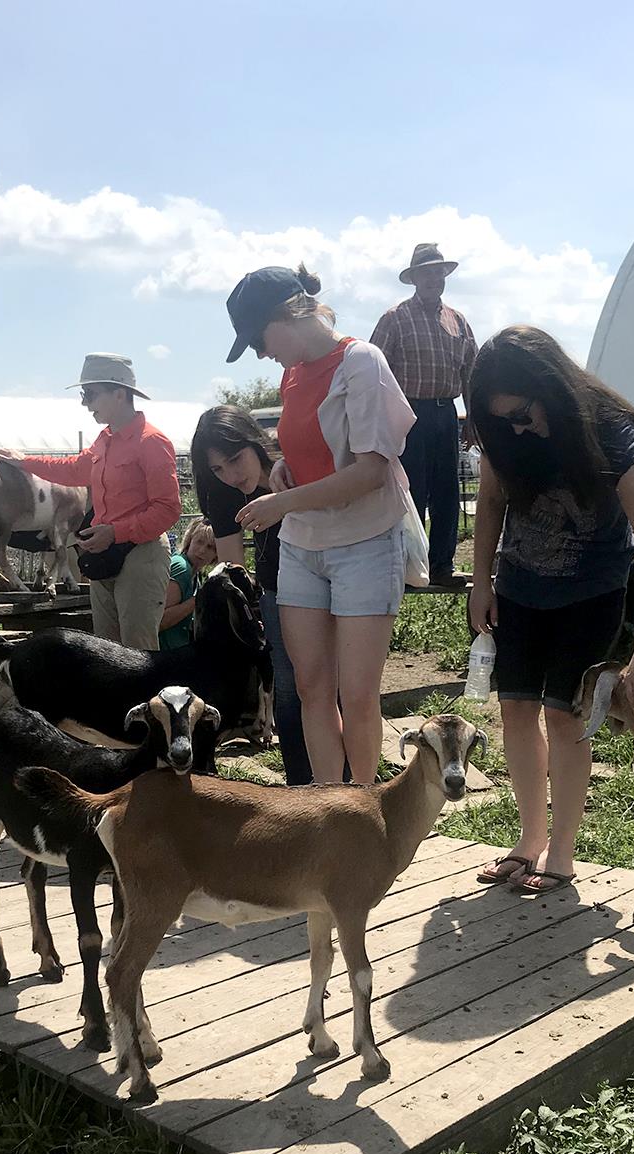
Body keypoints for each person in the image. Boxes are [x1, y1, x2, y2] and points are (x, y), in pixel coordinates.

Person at [469, 326, 634, 894]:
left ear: (550, 386)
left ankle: (560, 856)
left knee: (564, 718)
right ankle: (528, 840)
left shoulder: (606, 431)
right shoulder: (503, 433)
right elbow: (489, 502)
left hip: (590, 594)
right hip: (518, 588)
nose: (515, 427)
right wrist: (481, 579)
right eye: (501, 420)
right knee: (514, 710)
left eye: (521, 412)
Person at [224, 264, 413, 784]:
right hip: (304, 542)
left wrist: (282, 503)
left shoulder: (361, 362)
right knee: (310, 687)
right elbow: (316, 445)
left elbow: (372, 471)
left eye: (258, 339)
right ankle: (329, 806)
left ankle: (362, 807)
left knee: (355, 694)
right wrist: (287, 468)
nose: (261, 353)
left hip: (365, 541)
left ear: (288, 315)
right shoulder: (291, 372)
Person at [2, 353, 180, 649]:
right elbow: (73, 469)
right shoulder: (104, 440)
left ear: (119, 394)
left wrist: (114, 532)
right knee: (107, 653)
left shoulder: (152, 442)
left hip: (141, 555)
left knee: (138, 651)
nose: (85, 402)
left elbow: (169, 509)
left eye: (91, 394)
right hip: (104, 554)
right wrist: (24, 462)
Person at [190, 405, 313, 784]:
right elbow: (231, 564)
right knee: (290, 688)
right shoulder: (223, 493)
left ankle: (348, 780)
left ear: (254, 442)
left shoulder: (292, 466)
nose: (231, 475)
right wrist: (250, 613)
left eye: (235, 459)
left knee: (330, 685)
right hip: (275, 590)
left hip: (324, 580)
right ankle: (301, 784)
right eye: (217, 469)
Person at [371, 243, 477, 585]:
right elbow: (373, 372)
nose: (434, 278)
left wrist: (471, 417)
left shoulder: (457, 320)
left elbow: (471, 373)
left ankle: (442, 566)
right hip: (407, 413)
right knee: (409, 489)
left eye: (438, 271)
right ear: (414, 277)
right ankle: (408, 566)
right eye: (427, 272)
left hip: (446, 412)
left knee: (447, 491)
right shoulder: (394, 318)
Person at [158, 518, 218, 650]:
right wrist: (198, 599)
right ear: (189, 541)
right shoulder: (182, 567)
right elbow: (160, 621)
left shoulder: (196, 576)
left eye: (210, 547)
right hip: (165, 654)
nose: (202, 550)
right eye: (199, 542)